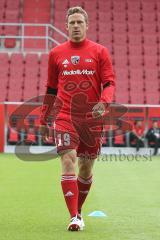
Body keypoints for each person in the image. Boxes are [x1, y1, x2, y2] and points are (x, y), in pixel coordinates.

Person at [40, 6, 115, 231]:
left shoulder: (100, 52)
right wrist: (45, 118)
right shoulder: (56, 53)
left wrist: (105, 101)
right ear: (66, 26)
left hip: (91, 119)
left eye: (79, 23)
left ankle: (79, 211)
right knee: (68, 159)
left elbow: (109, 82)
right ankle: (73, 216)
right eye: (71, 23)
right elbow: (51, 89)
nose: (75, 26)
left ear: (86, 25)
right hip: (64, 116)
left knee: (85, 168)